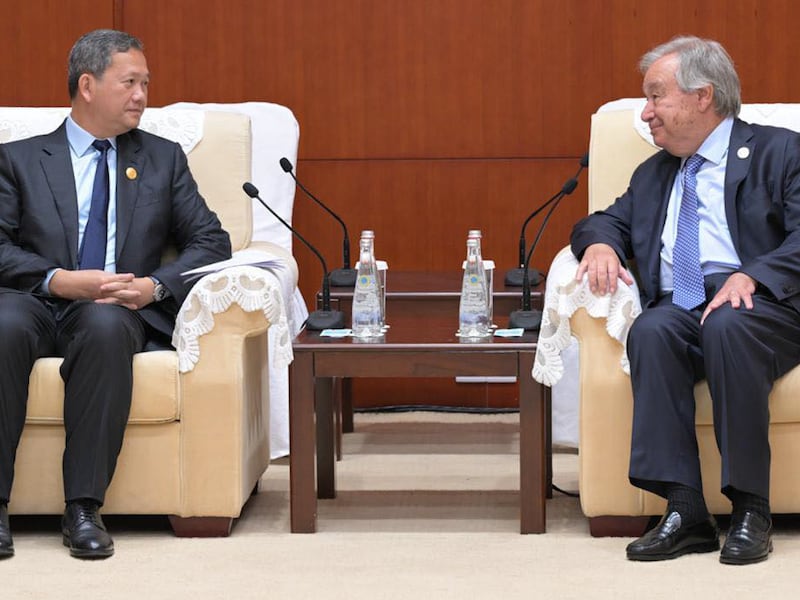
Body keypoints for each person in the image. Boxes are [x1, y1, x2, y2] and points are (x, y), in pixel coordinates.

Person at [0, 29, 231, 559]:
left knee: (105, 329)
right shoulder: (17, 160)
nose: (141, 96)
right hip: (33, 298)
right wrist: (58, 279)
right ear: (87, 85)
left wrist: (153, 287)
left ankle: (83, 507)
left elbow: (210, 240)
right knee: (2, 326)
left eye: (145, 84)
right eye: (129, 83)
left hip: (115, 306)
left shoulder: (162, 159)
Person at [572, 35, 800, 565]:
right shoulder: (656, 174)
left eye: (656, 96)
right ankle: (686, 510)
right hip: (684, 307)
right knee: (652, 329)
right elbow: (602, 221)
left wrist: (754, 276)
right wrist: (602, 244)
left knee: (729, 322)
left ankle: (751, 507)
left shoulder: (780, 152)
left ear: (703, 96)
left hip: (766, 309)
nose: (645, 112)